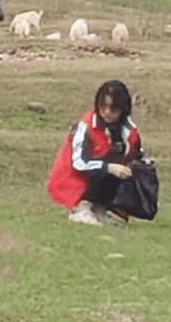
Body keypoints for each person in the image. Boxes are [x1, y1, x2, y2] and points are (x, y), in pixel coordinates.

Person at [47, 79, 141, 226]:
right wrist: (109, 167)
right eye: (103, 107)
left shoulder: (129, 131)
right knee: (103, 168)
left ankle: (104, 208)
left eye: (113, 108)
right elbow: (79, 162)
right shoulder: (86, 125)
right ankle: (81, 208)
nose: (107, 113)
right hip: (75, 178)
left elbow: (135, 156)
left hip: (105, 180)